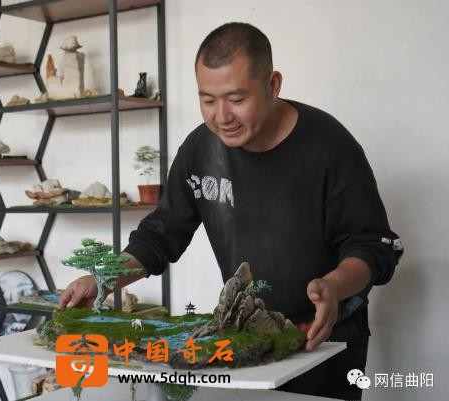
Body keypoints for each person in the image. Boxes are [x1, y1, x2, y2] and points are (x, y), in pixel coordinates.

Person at [59, 22, 403, 400]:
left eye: (236, 99)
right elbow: (161, 233)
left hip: (324, 341)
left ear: (273, 85)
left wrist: (334, 287)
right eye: (208, 100)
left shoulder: (329, 147)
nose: (221, 116)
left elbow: (372, 246)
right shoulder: (199, 150)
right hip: (245, 340)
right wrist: (104, 278)